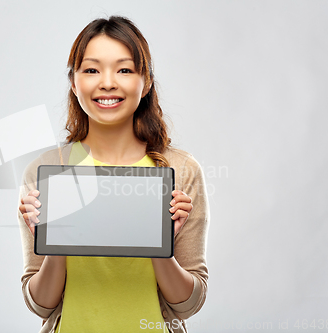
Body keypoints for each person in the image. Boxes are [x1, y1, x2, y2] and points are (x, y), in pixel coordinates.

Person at [18, 16, 210, 333]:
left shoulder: (181, 170)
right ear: (74, 81)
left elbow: (188, 305)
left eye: (124, 69)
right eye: (92, 69)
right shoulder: (43, 172)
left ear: (146, 81)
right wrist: (52, 246)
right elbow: (40, 304)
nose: (107, 82)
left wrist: (161, 245)